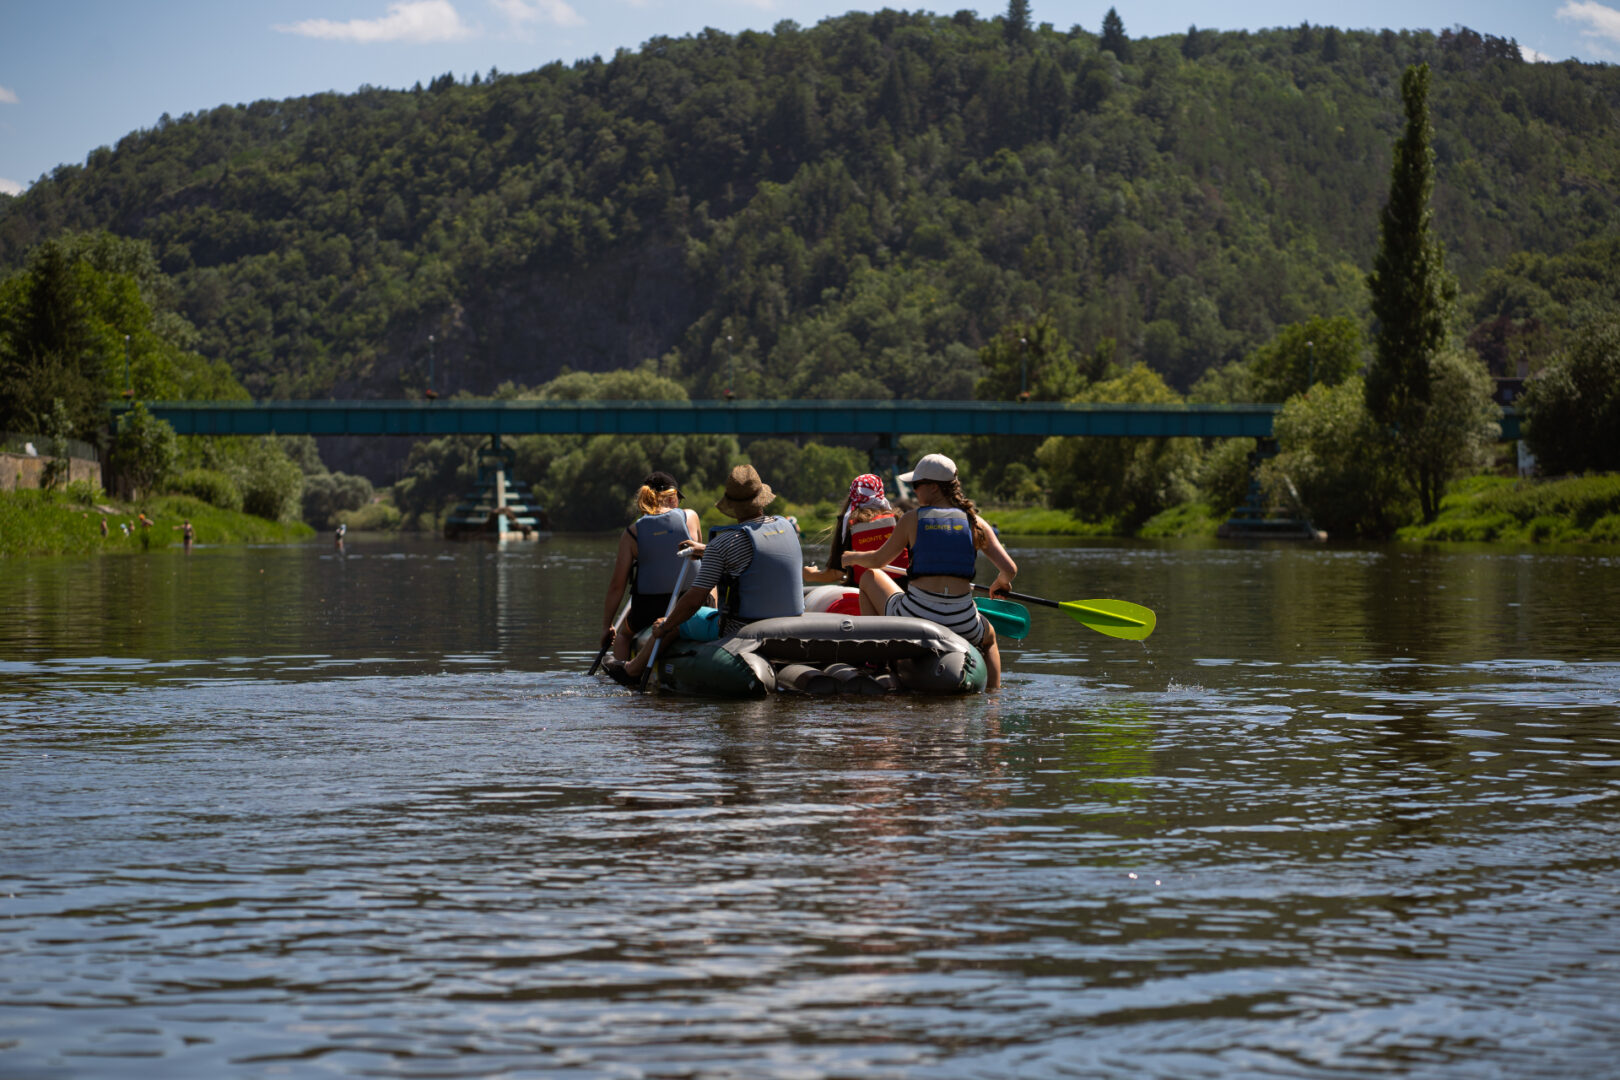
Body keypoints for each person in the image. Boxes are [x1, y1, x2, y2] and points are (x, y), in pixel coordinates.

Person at [608, 464, 802, 684]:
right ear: (762, 499)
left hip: (741, 628)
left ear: (732, 506)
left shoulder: (724, 543)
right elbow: (757, 554)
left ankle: (632, 670)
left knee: (676, 621)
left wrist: (666, 624)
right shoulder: (785, 526)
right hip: (789, 620)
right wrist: (705, 550)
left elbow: (692, 601)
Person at [841, 453, 1018, 690]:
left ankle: (877, 661)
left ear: (933, 487)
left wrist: (852, 557)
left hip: (916, 617)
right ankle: (994, 699)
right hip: (963, 620)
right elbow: (1010, 569)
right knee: (990, 638)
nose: (914, 491)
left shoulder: (912, 519)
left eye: (916, 485)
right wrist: (1001, 583)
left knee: (869, 577)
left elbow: (876, 560)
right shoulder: (975, 522)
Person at [601, 471, 703, 662]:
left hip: (650, 608)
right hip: (690, 602)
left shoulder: (631, 533)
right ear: (672, 498)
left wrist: (607, 627)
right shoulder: (691, 517)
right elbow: (700, 562)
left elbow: (617, 586)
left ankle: (624, 675)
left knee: (623, 636)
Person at [803, 473, 911, 614]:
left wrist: (811, 575)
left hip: (860, 597)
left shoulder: (849, 524)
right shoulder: (899, 520)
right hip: (899, 594)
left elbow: (836, 572)